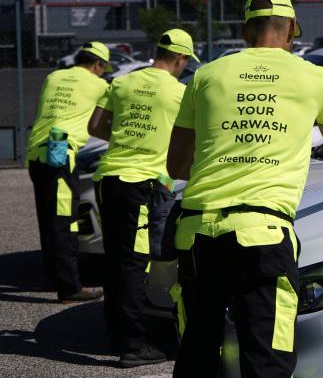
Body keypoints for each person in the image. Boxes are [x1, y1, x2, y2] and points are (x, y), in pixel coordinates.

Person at [167, 0, 323, 377]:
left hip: (197, 232)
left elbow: (177, 164)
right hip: (263, 236)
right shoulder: (315, 78)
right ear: (291, 30)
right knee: (265, 357)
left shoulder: (205, 75)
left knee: (198, 351)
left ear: (244, 32)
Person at [87, 28, 196, 368]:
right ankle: (133, 345)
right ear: (179, 59)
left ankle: (114, 327)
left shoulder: (122, 82)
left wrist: (125, 140)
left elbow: (95, 126)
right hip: (143, 185)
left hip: (109, 179)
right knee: (136, 264)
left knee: (116, 258)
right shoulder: (178, 93)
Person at [27, 42, 111, 304]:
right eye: (103, 69)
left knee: (49, 220)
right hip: (61, 156)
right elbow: (106, 122)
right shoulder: (100, 86)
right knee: (65, 222)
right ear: (97, 65)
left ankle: (56, 276)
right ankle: (70, 288)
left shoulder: (53, 76)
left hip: (37, 154)